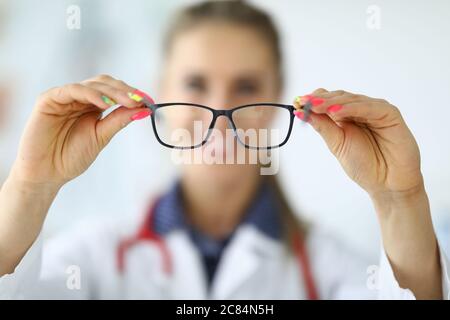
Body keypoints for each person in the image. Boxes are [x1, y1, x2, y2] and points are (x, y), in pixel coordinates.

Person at [0, 0, 448, 299]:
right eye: (195, 83)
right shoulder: (94, 257)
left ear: (279, 98)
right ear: (159, 96)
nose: (219, 110)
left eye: (247, 86)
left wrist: (399, 199)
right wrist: (30, 185)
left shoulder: (329, 269)